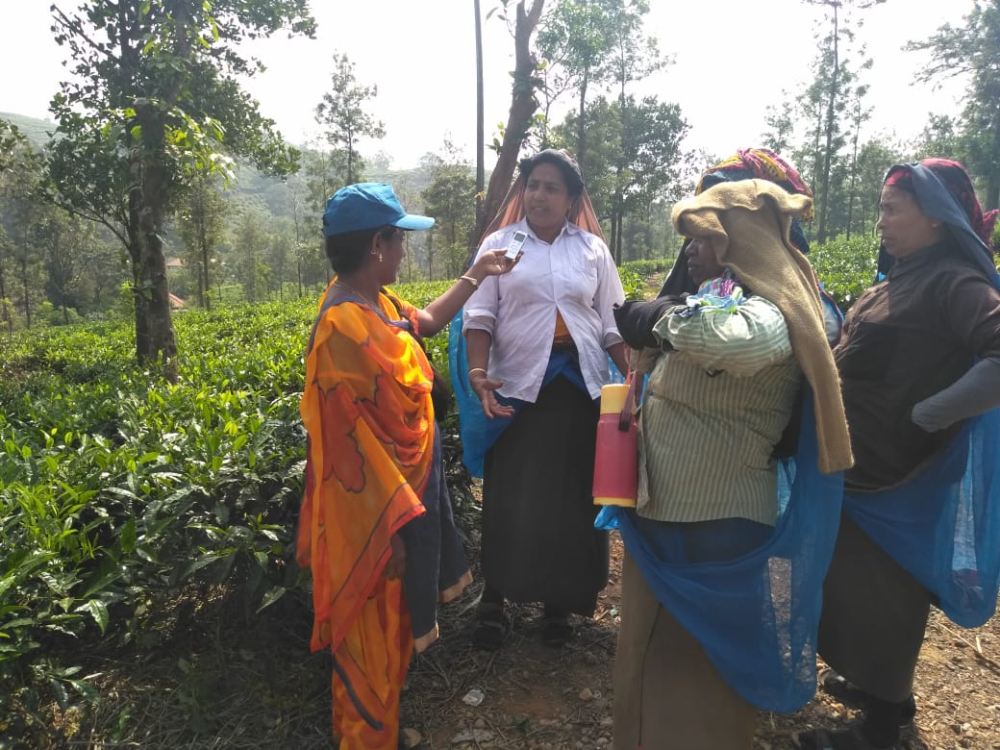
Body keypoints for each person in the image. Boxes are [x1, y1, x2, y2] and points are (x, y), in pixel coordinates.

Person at [608, 175, 853, 749]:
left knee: (698, 668)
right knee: (648, 656)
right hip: (663, 507)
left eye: (703, 238)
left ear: (740, 240)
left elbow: (736, 343)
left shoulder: (776, 307)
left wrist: (663, 316)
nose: (691, 251)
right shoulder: (717, 297)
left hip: (716, 521)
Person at [296, 183, 518, 749]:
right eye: (399, 241)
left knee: (392, 630)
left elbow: (426, 323)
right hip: (370, 521)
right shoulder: (341, 330)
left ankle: (384, 731)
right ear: (377, 245)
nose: (404, 252)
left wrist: (478, 274)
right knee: (369, 639)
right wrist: (387, 533)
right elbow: (349, 450)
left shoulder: (379, 306)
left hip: (401, 507)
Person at [798, 159, 1000, 750]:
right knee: (854, 587)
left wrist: (927, 415)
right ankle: (881, 685)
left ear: (936, 219)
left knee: (887, 593)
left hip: (897, 474)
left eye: (893, 209)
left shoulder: (953, 282)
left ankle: (884, 728)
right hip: (858, 465)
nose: (881, 221)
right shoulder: (899, 278)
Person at [456, 149, 628, 649]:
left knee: (572, 498)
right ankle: (496, 599)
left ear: (572, 198)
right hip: (517, 390)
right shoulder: (499, 244)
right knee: (513, 498)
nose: (539, 195)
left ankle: (560, 602)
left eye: (552, 187)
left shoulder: (592, 250)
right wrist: (479, 373)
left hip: (579, 388)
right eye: (533, 184)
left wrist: (633, 373)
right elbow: (480, 317)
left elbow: (612, 322)